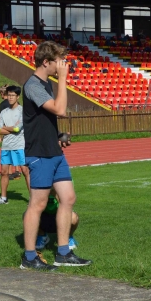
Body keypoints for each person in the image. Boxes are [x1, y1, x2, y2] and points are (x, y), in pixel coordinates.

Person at [21, 41, 92, 270]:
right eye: (57, 61)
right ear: (45, 62)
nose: (61, 65)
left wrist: (58, 135)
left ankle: (63, 253)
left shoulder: (46, 84)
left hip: (54, 151)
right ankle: (29, 257)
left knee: (68, 198)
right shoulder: (32, 85)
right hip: (40, 154)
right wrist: (63, 78)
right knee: (37, 204)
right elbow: (60, 109)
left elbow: (45, 119)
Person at [0, 85, 29, 205]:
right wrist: (9, 129)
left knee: (25, 171)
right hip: (6, 146)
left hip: (19, 145)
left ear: (18, 97)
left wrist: (5, 128)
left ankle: (33, 198)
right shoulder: (4, 112)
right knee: (4, 172)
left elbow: (18, 128)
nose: (10, 97)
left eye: (13, 95)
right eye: (9, 95)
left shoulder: (22, 111)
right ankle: (3, 198)